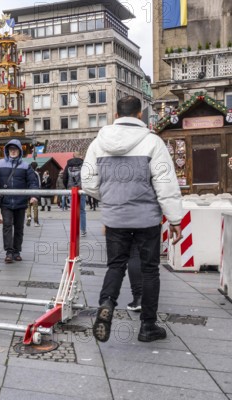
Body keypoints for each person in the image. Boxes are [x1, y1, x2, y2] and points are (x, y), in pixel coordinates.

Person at [82, 96, 183, 343]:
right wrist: (175, 218)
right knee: (150, 270)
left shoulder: (99, 143)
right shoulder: (152, 142)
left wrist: (109, 197)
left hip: (115, 218)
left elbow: (88, 181)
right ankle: (148, 326)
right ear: (140, 116)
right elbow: (165, 183)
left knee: (115, 266)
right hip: (146, 219)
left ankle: (106, 303)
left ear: (116, 116)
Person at [0, 139, 40, 263]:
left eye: (15, 149)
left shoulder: (25, 166)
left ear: (19, 151)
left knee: (19, 227)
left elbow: (32, 182)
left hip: (20, 201)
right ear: (7, 151)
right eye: (11, 149)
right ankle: (9, 252)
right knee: (7, 226)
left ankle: (17, 251)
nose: (13, 151)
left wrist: (33, 195)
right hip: (5, 201)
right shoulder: (0, 164)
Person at [64, 151, 86, 235]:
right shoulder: (84, 165)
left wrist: (68, 187)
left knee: (73, 210)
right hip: (81, 189)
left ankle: (74, 229)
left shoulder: (68, 165)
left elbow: (65, 177)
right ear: (80, 156)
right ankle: (82, 230)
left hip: (71, 189)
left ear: (73, 156)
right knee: (82, 210)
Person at [26, 162, 41, 227]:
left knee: (28, 206)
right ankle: (36, 221)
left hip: (27, 192)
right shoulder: (36, 174)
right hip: (35, 191)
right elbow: (39, 184)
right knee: (35, 207)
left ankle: (29, 216)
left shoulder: (26, 173)